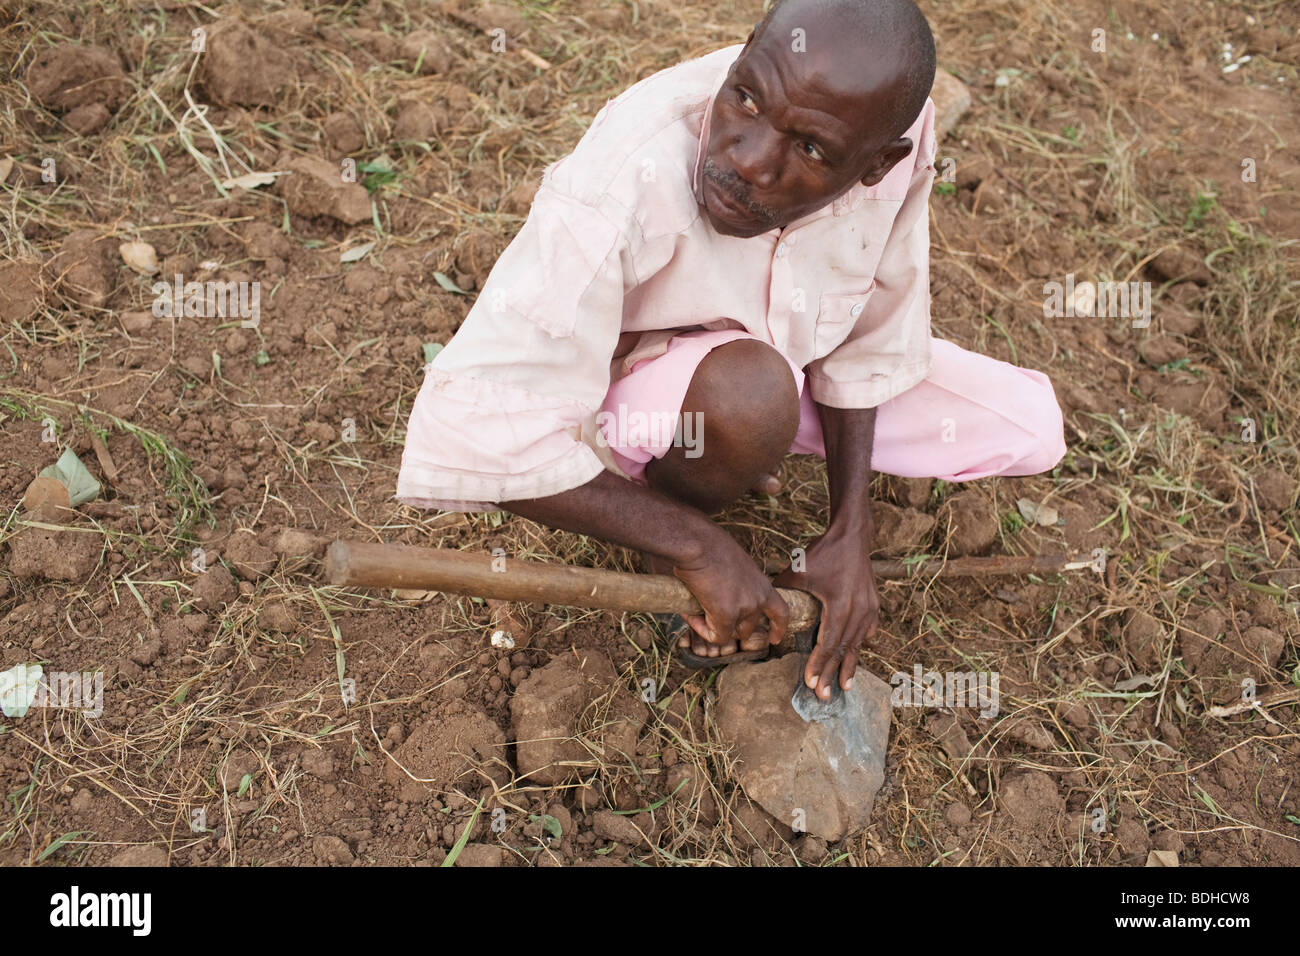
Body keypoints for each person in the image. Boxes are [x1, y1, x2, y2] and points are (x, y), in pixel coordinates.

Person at [397, 0, 1066, 702]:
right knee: (751, 398)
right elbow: (478, 431)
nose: (746, 160)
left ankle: (746, 439)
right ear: (744, 54)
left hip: (778, 356)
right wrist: (695, 546)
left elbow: (873, 339)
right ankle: (680, 490)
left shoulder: (894, 131)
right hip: (626, 396)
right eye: (745, 97)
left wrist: (849, 532)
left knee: (1028, 427)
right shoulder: (625, 176)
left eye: (809, 150)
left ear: (878, 164)